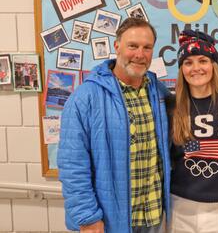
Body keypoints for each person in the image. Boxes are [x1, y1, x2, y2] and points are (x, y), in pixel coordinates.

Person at [58, 18, 171, 233]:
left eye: (147, 48)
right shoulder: (85, 98)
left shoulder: (158, 93)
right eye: (133, 46)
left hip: (154, 217)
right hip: (109, 222)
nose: (140, 54)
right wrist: (88, 217)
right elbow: (72, 165)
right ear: (117, 46)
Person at [167, 30, 218, 233]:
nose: (196, 68)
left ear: (213, 65)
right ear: (181, 68)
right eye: (188, 62)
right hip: (180, 202)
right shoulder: (172, 105)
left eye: (203, 60)